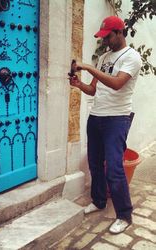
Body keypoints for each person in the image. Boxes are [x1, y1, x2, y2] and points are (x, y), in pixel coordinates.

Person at [69, 16, 142, 234]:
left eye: (108, 36)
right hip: (97, 117)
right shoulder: (104, 58)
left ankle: (124, 215)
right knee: (94, 163)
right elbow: (94, 89)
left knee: (115, 168)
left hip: (117, 119)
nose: (105, 41)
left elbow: (117, 84)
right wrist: (78, 83)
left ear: (120, 32)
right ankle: (99, 201)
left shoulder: (132, 58)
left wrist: (89, 68)